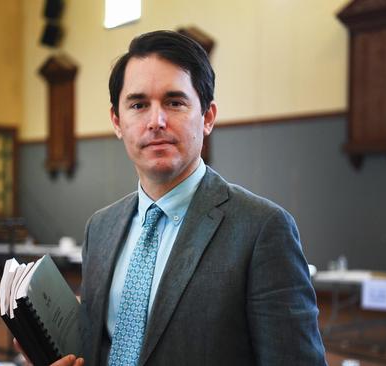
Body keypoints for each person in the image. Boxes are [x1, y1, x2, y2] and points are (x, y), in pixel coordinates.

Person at [27, 30, 326, 366]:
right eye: (139, 105)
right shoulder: (101, 228)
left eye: (175, 102)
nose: (156, 121)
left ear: (208, 116)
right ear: (117, 121)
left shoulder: (262, 230)